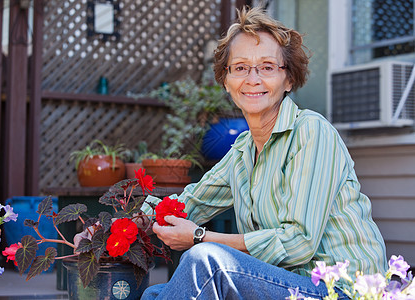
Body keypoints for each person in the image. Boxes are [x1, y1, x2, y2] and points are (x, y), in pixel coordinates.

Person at [141, 6, 386, 300]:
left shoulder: (311, 131)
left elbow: (299, 242)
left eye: (268, 67)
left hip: (343, 290)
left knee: (205, 262)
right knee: (157, 293)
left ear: (289, 79)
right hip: (285, 285)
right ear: (226, 81)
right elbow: (185, 205)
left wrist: (200, 237)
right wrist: (105, 232)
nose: (252, 78)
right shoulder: (243, 151)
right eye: (241, 67)